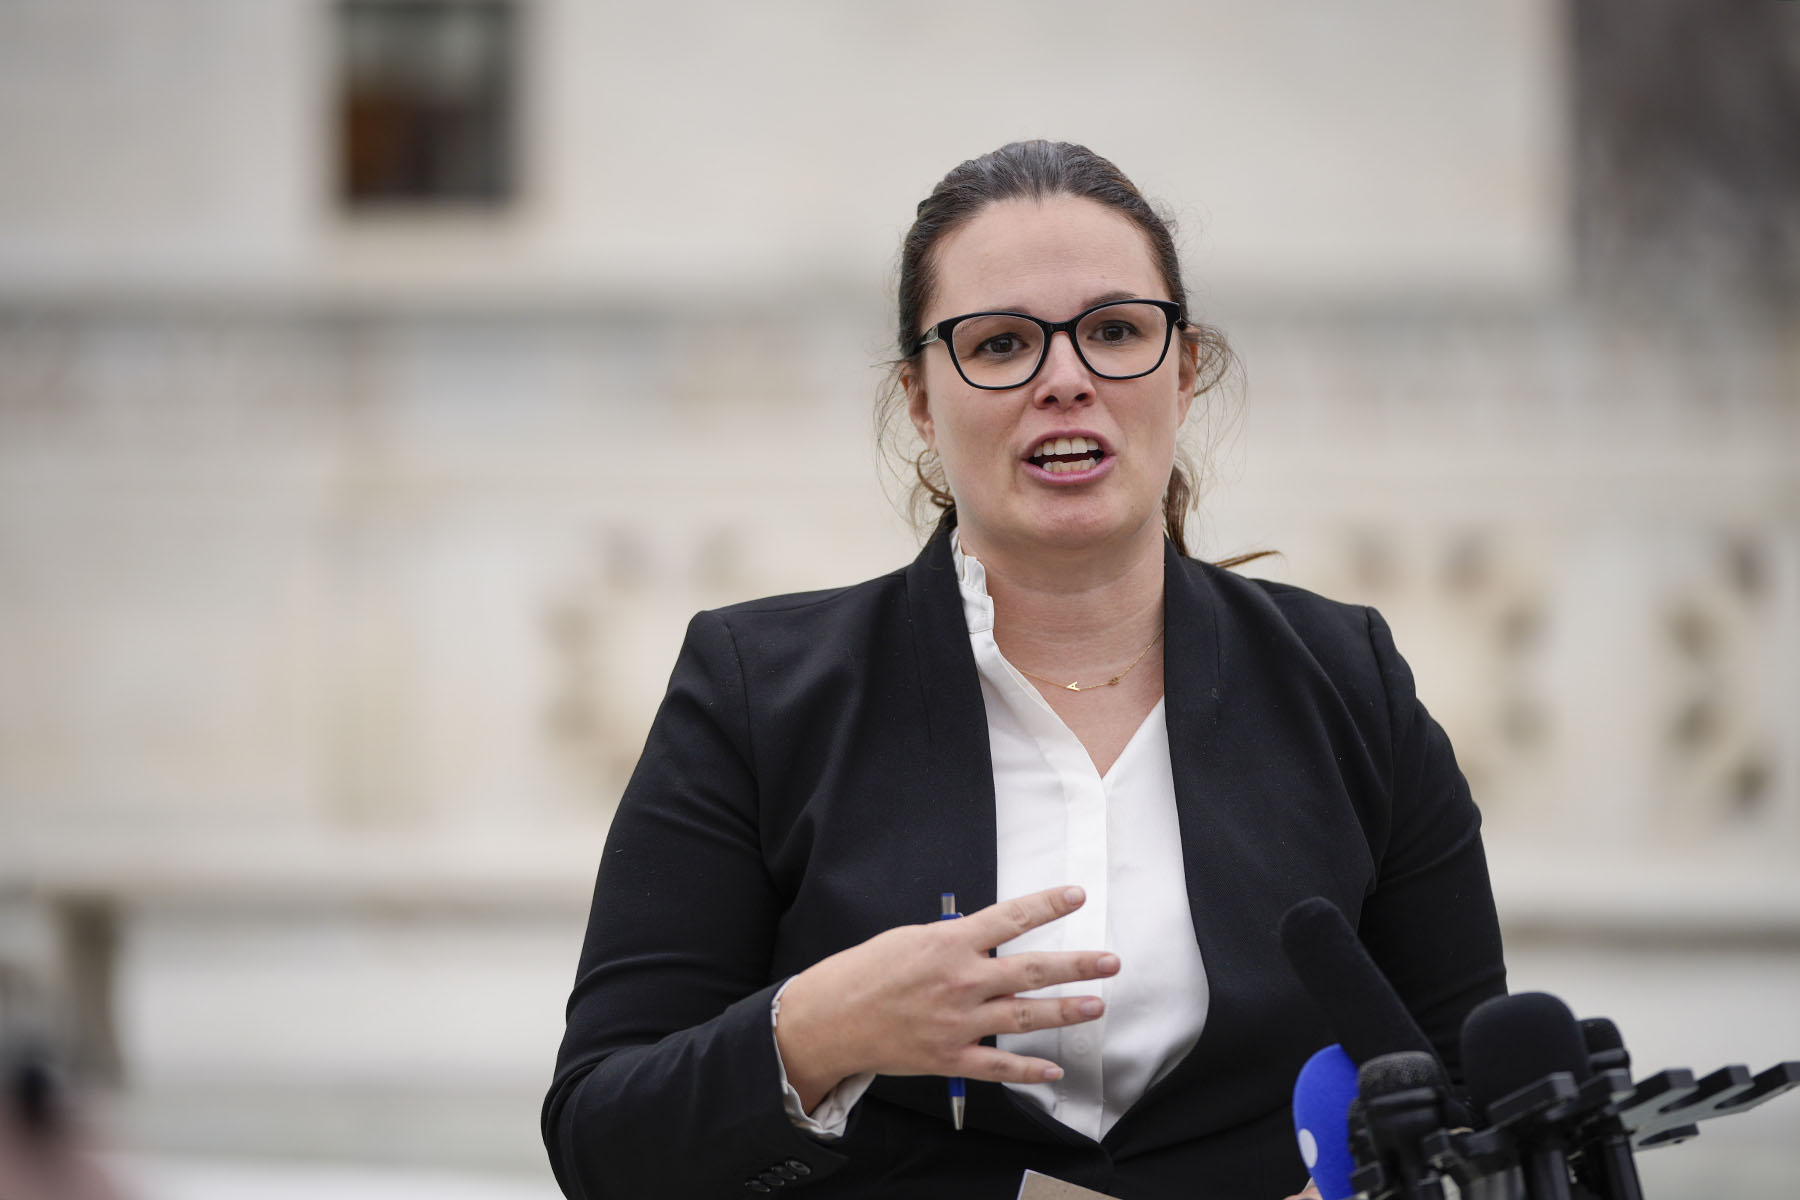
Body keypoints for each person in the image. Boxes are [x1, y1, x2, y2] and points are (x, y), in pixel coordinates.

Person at [542, 140, 1506, 1200]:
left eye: (1116, 332)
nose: (1066, 380)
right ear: (919, 396)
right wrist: (818, 1029)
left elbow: (1475, 1097)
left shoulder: (1346, 680)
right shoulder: (757, 692)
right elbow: (601, 1138)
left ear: (1184, 371)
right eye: (1001, 345)